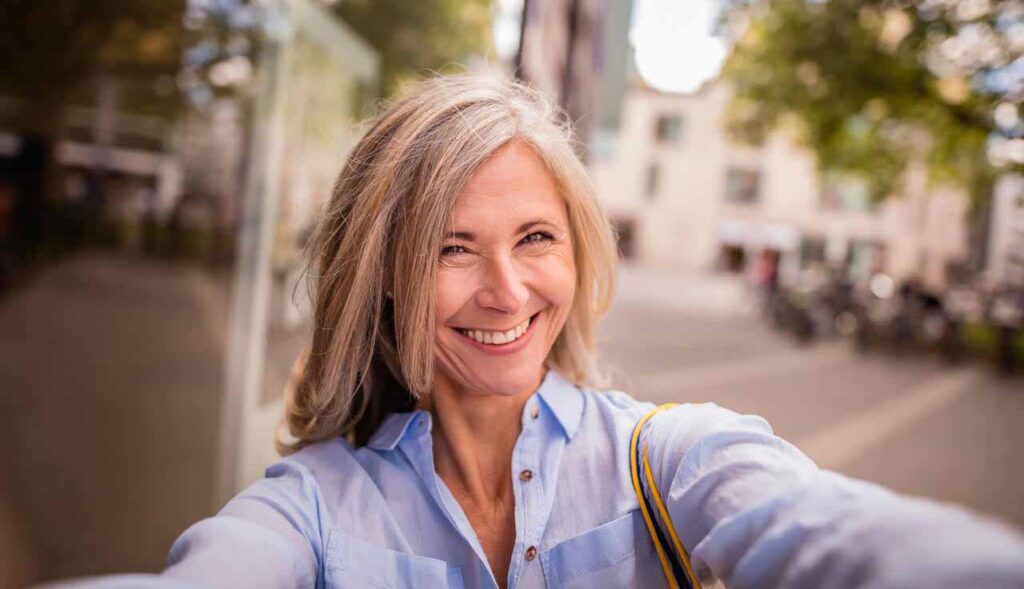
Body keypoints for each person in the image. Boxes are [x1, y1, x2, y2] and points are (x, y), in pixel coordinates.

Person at [63, 75, 1024, 588]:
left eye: (535, 238)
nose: (507, 289)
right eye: (451, 249)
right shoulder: (315, 507)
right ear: (386, 283)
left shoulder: (669, 457)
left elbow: (831, 535)